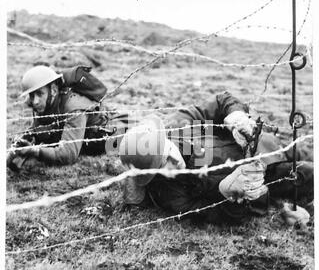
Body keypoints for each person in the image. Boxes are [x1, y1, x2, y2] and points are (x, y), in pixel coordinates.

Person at [118, 91, 313, 226]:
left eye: (167, 151)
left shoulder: (179, 125)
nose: (174, 161)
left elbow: (221, 101)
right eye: (164, 164)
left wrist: (235, 118)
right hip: (266, 181)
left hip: (269, 143)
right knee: (311, 174)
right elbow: (216, 214)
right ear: (153, 176)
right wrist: (233, 196)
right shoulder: (172, 197)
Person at [7, 65, 127, 171]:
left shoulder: (74, 107)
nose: (35, 101)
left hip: (115, 136)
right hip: (85, 138)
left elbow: (68, 155)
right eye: (32, 95)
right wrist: (24, 143)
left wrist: (36, 151)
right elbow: (39, 130)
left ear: (53, 90)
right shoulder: (46, 103)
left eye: (39, 94)